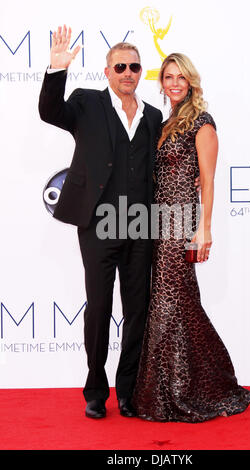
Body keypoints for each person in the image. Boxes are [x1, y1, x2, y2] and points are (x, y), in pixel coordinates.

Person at [38, 25, 163, 419]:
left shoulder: (153, 115)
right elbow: (50, 112)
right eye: (120, 66)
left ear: (141, 73)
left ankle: (128, 391)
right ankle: (96, 390)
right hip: (99, 224)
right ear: (107, 72)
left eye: (135, 67)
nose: (128, 72)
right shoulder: (87, 103)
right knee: (99, 307)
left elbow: (157, 167)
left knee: (138, 308)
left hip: (141, 225)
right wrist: (56, 71)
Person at [132, 53, 250, 422]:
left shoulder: (202, 123)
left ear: (191, 82)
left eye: (180, 78)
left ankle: (193, 388)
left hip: (181, 222)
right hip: (158, 222)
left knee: (172, 301)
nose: (173, 83)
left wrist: (205, 228)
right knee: (174, 301)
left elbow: (209, 179)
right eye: (168, 77)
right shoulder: (166, 122)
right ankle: (180, 385)